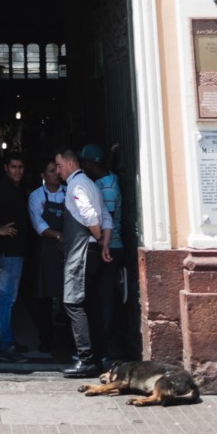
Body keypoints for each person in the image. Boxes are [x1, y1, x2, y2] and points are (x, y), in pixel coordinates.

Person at [54, 146, 112, 378]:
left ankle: (86, 359)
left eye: (59, 166)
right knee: (91, 305)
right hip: (95, 250)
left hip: (82, 251)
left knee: (73, 302)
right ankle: (99, 356)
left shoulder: (76, 186)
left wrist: (97, 237)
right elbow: (106, 216)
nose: (57, 171)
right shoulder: (92, 185)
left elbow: (89, 216)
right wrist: (104, 243)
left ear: (70, 164)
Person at [83, 143, 128, 360]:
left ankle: (105, 341)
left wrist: (102, 243)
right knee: (100, 295)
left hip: (110, 246)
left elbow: (104, 219)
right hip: (105, 246)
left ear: (92, 164)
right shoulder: (105, 180)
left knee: (105, 296)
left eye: (85, 162)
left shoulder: (108, 187)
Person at [0, 153, 31, 360]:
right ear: (6, 168)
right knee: (6, 298)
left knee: (10, 299)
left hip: (15, 251)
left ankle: (9, 339)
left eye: (20, 167)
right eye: (13, 167)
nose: (17, 170)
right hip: (8, 251)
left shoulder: (16, 188)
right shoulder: (3, 187)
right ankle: (5, 346)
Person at [29, 160, 69, 358]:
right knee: (45, 297)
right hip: (47, 249)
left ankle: (70, 341)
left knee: (68, 296)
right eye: (51, 171)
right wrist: (57, 235)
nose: (56, 174)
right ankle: (46, 339)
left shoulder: (68, 192)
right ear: (43, 175)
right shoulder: (36, 196)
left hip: (68, 248)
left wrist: (67, 236)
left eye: (57, 170)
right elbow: (37, 222)